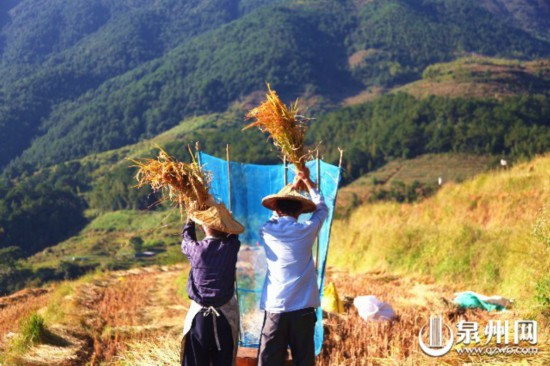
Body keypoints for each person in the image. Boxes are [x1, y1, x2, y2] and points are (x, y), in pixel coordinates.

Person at [258, 167, 328, 366]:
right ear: (299, 211)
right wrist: (308, 182)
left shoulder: (267, 230)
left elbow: (274, 218)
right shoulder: (306, 229)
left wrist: (291, 188)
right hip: (303, 310)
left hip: (275, 308)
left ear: (277, 210)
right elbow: (322, 208)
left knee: (269, 360)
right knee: (303, 360)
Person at [180, 202, 244, 366]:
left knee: (196, 361)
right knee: (222, 361)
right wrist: (227, 219)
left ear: (202, 227)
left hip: (199, 318)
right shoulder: (231, 247)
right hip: (225, 318)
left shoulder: (195, 249)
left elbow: (187, 237)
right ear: (225, 228)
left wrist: (190, 219)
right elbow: (234, 234)